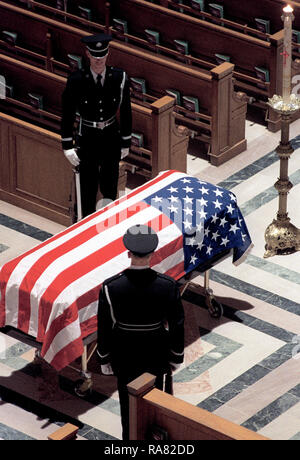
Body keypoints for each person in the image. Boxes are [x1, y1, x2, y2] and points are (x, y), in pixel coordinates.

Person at [97, 224, 185, 440]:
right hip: (156, 352)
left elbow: (104, 326)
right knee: (155, 404)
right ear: (152, 254)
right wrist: (175, 356)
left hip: (124, 354)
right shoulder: (168, 286)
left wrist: (104, 359)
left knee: (128, 407)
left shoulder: (110, 287)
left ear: (128, 253)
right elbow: (177, 323)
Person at [61, 33, 132, 217]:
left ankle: (108, 225)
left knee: (109, 187)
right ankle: (86, 228)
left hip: (111, 137)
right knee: (87, 188)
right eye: (95, 55)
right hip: (87, 138)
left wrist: (125, 141)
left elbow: (125, 110)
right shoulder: (76, 80)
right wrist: (67, 146)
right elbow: (67, 114)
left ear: (108, 55)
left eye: (102, 55)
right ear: (88, 54)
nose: (99, 60)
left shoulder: (119, 77)